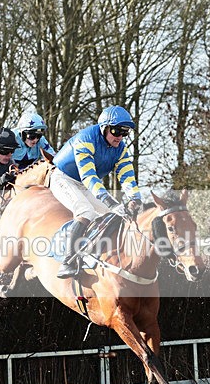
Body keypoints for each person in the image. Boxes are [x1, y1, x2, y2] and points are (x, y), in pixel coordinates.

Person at [50, 105, 142, 278]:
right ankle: (67, 261)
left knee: (110, 215)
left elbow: (127, 176)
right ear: (104, 128)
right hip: (64, 178)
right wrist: (111, 202)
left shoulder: (121, 149)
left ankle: (91, 254)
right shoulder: (86, 139)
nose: (120, 137)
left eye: (125, 133)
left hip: (85, 185)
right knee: (86, 211)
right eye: (116, 131)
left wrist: (135, 199)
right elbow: (89, 176)